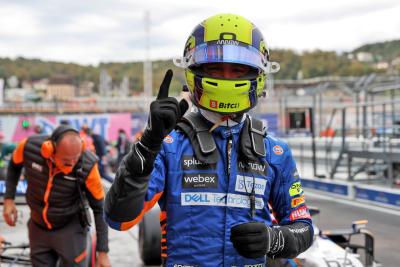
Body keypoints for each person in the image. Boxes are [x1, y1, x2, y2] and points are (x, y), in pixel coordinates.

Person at [105, 13, 313, 266]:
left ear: (258, 75)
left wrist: (275, 239)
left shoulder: (275, 151)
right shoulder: (169, 146)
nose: (226, 76)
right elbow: (119, 218)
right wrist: (148, 144)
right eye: (215, 67)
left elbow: (303, 228)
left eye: (238, 70)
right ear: (194, 71)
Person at [3, 125, 111, 267]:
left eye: (76, 159)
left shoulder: (88, 165)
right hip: (38, 227)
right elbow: (14, 165)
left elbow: (100, 209)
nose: (72, 165)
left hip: (70, 229)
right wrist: (9, 199)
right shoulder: (29, 147)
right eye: (66, 161)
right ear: (50, 150)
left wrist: (102, 253)